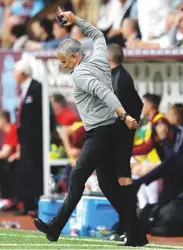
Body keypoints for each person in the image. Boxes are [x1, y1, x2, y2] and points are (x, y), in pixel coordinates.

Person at [33, 11, 148, 247]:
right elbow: (97, 34)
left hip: (100, 133)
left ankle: (55, 227)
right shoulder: (98, 57)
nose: (63, 67)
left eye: (65, 62)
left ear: (75, 57)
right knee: (109, 186)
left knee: (77, 176)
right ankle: (137, 233)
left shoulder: (81, 75)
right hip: (109, 132)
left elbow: (104, 93)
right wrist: (76, 21)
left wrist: (124, 115)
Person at [107, 43, 143, 236]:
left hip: (118, 138)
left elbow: (117, 109)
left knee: (122, 178)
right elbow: (138, 103)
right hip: (120, 137)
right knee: (117, 178)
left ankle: (128, 223)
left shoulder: (120, 79)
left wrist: (124, 130)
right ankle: (125, 221)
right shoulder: (119, 76)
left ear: (109, 59)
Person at [13, 59, 56, 216]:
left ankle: (39, 205)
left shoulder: (37, 88)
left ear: (23, 73)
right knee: (25, 171)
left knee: (37, 171)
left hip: (37, 140)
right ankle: (28, 204)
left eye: (15, 72)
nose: (13, 75)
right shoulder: (24, 90)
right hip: (25, 139)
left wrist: (48, 135)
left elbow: (48, 114)